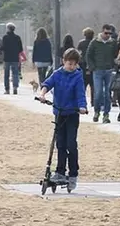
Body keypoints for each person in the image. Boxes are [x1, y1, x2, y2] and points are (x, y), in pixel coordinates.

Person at [37, 48, 88, 192]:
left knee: (71, 144)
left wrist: (82, 107)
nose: (71, 67)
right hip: (59, 113)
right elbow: (47, 84)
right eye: (69, 63)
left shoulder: (77, 76)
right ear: (63, 62)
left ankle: (73, 174)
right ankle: (60, 171)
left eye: (74, 64)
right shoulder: (57, 74)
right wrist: (42, 94)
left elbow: (80, 94)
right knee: (60, 143)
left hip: (72, 114)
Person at [86, 24, 118, 124]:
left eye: (110, 33)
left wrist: (115, 65)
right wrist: (92, 67)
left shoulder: (113, 43)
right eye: (106, 33)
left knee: (107, 93)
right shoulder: (95, 42)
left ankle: (106, 114)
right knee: (98, 92)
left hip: (109, 70)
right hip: (98, 71)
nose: (108, 35)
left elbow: (115, 55)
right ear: (102, 31)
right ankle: (97, 111)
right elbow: (88, 55)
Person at [1, 23, 24, 95]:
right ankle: (15, 87)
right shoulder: (17, 37)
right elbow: (21, 49)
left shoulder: (5, 37)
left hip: (7, 58)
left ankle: (7, 89)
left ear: (8, 29)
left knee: (6, 74)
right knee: (15, 73)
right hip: (15, 58)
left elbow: (3, 48)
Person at [77, 28, 95, 101]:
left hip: (83, 65)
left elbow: (79, 54)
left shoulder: (81, 43)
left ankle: (82, 100)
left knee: (83, 85)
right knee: (93, 85)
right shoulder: (94, 43)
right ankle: (93, 101)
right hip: (92, 65)